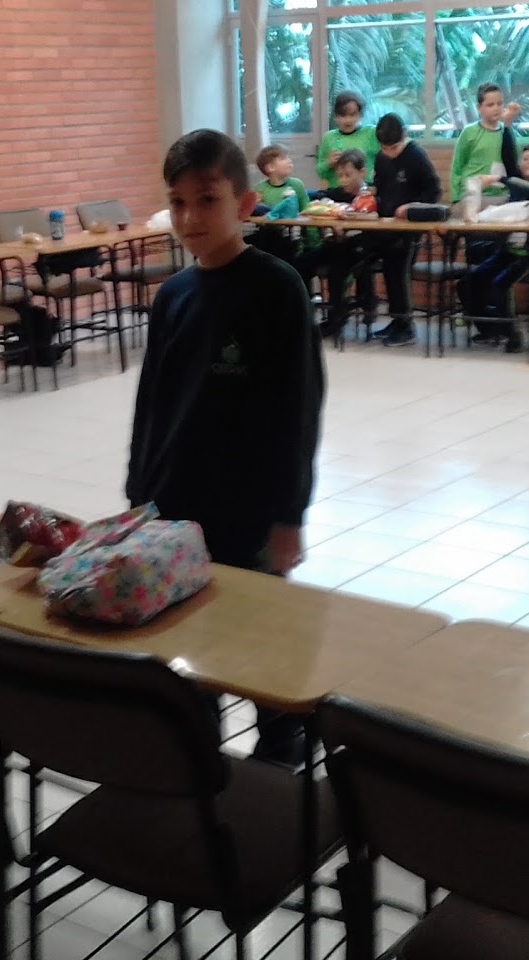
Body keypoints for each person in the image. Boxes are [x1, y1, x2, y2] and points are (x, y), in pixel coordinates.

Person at [127, 129, 324, 767]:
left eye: (206, 200)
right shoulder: (173, 296)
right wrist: (138, 496)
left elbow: (298, 409)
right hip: (174, 504)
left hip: (250, 506)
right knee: (191, 637)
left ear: (244, 203)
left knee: (263, 637)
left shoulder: (277, 286)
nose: (190, 218)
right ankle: (203, 758)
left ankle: (281, 749)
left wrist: (289, 515)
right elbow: (152, 403)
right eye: (178, 202)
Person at [458, 143, 529, 350]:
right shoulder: (515, 189)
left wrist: (499, 178)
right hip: (507, 252)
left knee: (499, 285)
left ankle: (512, 334)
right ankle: (490, 330)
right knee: (468, 283)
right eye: (526, 159)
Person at [370, 113, 442, 347]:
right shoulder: (381, 158)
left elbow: (433, 192)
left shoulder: (415, 155)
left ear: (404, 137)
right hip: (385, 226)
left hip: (408, 228)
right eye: (385, 148)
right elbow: (380, 189)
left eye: (394, 147)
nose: (389, 152)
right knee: (388, 273)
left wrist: (411, 208)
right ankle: (396, 320)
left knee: (399, 274)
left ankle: (406, 326)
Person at [296, 149, 378, 338]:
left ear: (362, 173)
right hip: (336, 244)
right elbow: (318, 197)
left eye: (348, 175)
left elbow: (374, 222)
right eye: (340, 176)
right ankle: (304, 315)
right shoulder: (338, 193)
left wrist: (348, 225)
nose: (343, 180)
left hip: (361, 247)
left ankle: (336, 319)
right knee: (301, 263)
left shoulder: (370, 195)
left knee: (337, 269)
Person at [449, 83, 524, 205]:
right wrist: (456, 197)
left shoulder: (507, 132)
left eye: (500, 104)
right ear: (479, 108)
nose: (496, 108)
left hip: (501, 194)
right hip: (473, 194)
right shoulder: (469, 132)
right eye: (490, 105)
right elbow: (458, 165)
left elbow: (514, 162)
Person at [316, 91, 381, 191]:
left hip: (364, 190)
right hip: (337, 191)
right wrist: (328, 163)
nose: (348, 120)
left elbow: (385, 159)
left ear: (360, 115)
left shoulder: (371, 133)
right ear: (335, 117)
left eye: (352, 115)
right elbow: (320, 172)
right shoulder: (328, 137)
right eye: (343, 115)